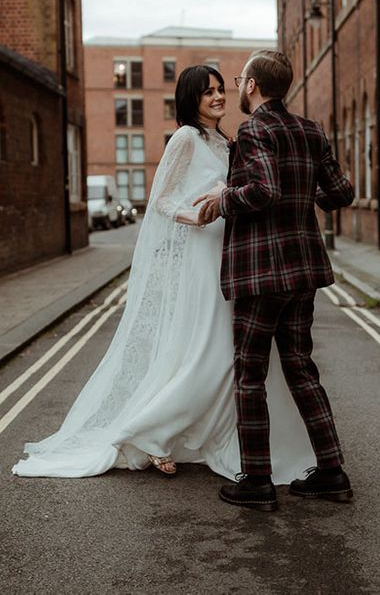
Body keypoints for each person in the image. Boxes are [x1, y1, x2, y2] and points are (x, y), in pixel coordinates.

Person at [12, 65, 314, 482]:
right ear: (190, 99)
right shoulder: (186, 139)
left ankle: (215, 434)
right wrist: (196, 217)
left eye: (221, 89)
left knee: (229, 353)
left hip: (232, 255)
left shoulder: (226, 141)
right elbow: (162, 201)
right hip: (202, 255)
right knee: (213, 352)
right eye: (208, 92)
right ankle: (150, 433)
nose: (218, 97)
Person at [194, 50, 355, 511]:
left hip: (262, 272)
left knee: (250, 373)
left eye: (240, 79)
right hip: (303, 269)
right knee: (302, 368)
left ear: (252, 86)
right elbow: (341, 192)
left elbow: (263, 190)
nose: (237, 86)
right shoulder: (310, 130)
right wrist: (306, 193)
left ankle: (258, 481)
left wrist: (223, 199)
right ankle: (331, 472)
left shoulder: (255, 129)